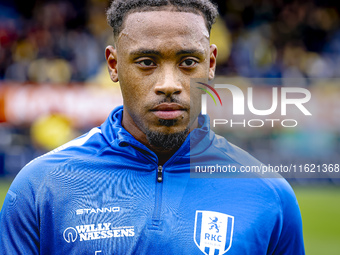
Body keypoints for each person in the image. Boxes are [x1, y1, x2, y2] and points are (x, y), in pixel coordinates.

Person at [0, 0, 305, 254]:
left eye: (188, 62)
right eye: (147, 62)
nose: (169, 85)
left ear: (211, 64)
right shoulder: (40, 188)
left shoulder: (270, 196)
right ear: (113, 64)